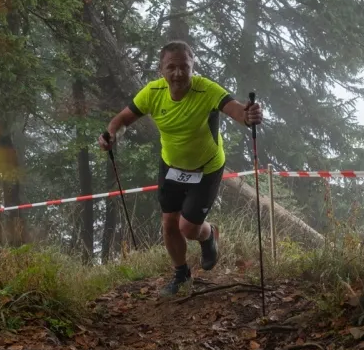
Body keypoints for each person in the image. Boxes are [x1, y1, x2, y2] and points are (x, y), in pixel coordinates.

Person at [99, 41, 263, 296]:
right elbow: (121, 120)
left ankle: (208, 234)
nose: (177, 73)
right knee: (169, 223)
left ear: (192, 67)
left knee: (188, 228)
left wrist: (249, 115)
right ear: (161, 70)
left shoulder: (206, 89)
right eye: (171, 67)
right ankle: (181, 274)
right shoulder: (153, 92)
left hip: (206, 168)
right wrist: (111, 135)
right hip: (171, 166)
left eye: (183, 67)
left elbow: (237, 111)